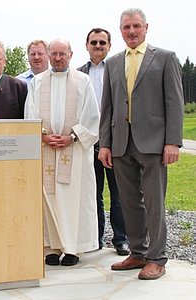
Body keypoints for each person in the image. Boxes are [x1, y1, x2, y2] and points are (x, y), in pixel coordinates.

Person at [99, 8, 184, 280]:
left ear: (146, 27)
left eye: (136, 26)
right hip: (122, 143)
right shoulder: (113, 63)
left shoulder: (165, 58)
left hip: (154, 144)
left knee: (155, 202)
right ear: (120, 30)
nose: (132, 31)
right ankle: (137, 252)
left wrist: (172, 142)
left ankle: (157, 258)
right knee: (128, 200)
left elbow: (174, 103)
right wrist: (105, 144)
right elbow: (108, 108)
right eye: (126, 27)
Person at [25, 38, 100, 266]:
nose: (58, 58)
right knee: (48, 199)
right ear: (49, 55)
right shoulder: (37, 82)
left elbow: (92, 116)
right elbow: (30, 114)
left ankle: (72, 248)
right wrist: (43, 135)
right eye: (54, 54)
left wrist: (72, 136)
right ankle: (49, 247)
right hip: (46, 148)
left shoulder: (83, 81)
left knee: (73, 199)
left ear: (70, 54)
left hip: (74, 151)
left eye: (62, 54)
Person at [77, 28, 129, 256]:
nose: (98, 46)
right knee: (93, 193)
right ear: (86, 45)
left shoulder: (120, 70)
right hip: (89, 141)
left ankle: (121, 239)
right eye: (94, 42)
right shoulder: (78, 74)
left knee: (119, 194)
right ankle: (95, 238)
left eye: (102, 43)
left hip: (116, 141)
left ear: (109, 46)